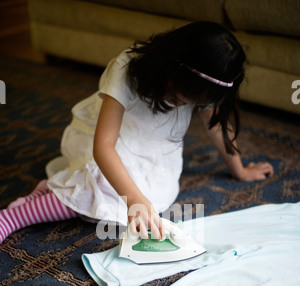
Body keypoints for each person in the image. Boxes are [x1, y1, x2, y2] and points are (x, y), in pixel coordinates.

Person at [0, 21, 274, 244]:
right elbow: (103, 146)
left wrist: (239, 170)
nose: (185, 106)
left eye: (195, 104)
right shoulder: (126, 69)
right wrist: (134, 199)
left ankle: (53, 189)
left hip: (153, 153)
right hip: (108, 142)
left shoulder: (200, 87)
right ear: (172, 68)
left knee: (135, 207)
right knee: (103, 192)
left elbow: (216, 125)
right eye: (182, 97)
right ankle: (13, 218)